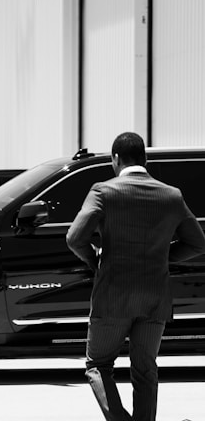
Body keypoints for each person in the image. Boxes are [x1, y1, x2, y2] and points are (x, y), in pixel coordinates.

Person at [66, 132, 205, 421]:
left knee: (98, 365)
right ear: (145, 159)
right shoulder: (171, 195)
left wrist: (94, 260)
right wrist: (159, 257)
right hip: (155, 296)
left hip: (113, 294)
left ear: (116, 159)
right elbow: (197, 243)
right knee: (145, 369)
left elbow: (75, 238)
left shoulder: (103, 191)